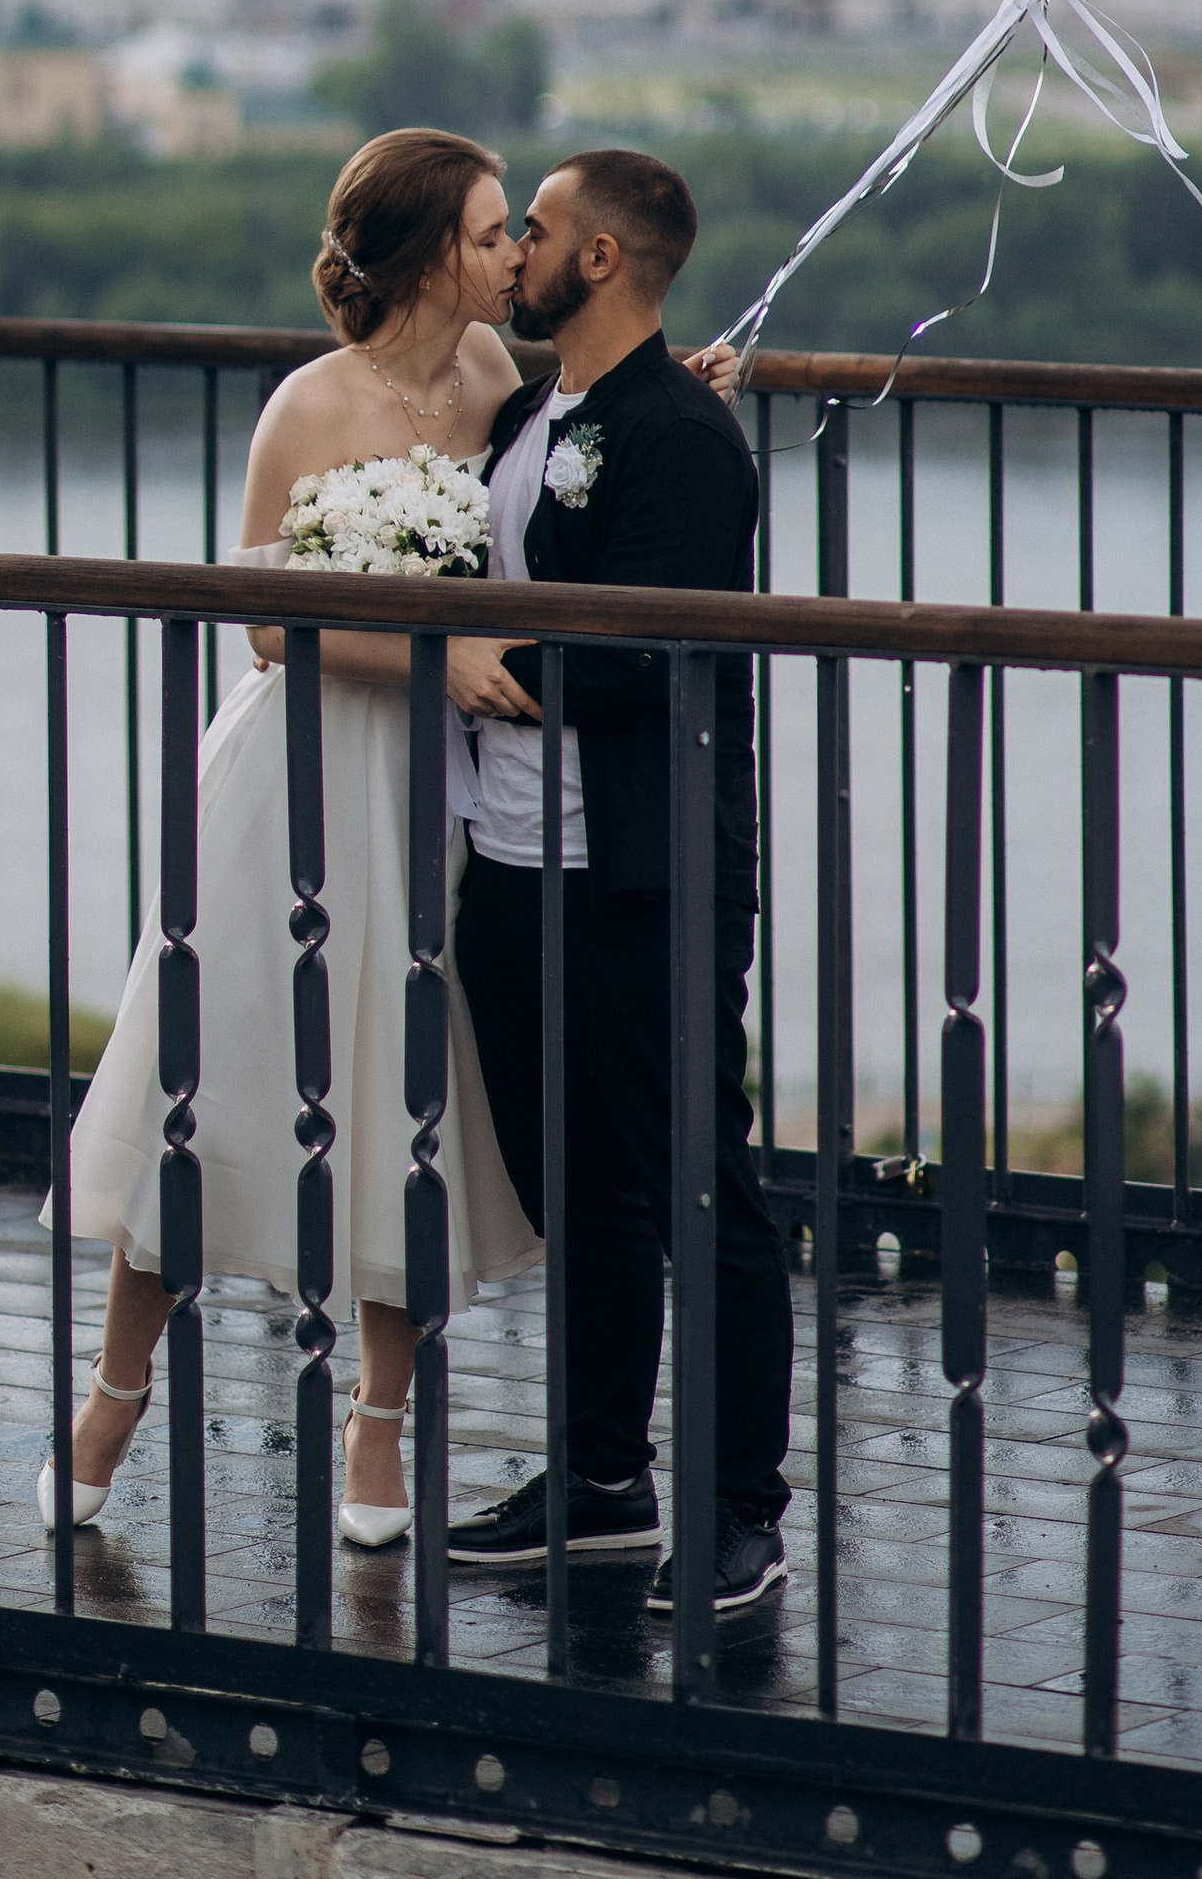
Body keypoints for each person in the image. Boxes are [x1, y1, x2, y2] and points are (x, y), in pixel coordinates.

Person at [48, 127, 546, 1544]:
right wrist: (431, 651)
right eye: (493, 230)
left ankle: (376, 1438)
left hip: (428, 792)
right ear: (426, 251)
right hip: (295, 774)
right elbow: (266, 623)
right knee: (212, 1073)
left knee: (405, 1089)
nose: (513, 252)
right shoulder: (307, 409)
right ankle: (111, 1401)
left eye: (517, 229)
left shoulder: (500, 380)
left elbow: (554, 471)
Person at [447, 147, 793, 1621]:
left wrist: (477, 665)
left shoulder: (685, 439)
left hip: (643, 870)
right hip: (515, 859)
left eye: (534, 230)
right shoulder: (538, 412)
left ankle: (736, 1509)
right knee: (571, 1179)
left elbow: (646, 649)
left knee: (697, 1180)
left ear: (600, 259)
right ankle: (600, 1481)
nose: (513, 250)